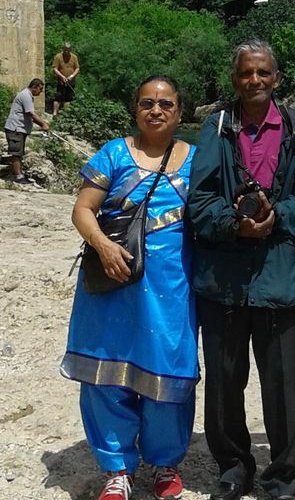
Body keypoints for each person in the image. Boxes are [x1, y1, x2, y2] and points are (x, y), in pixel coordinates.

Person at [187, 39, 295, 500]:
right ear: (235, 79)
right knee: (225, 382)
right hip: (223, 278)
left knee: (283, 384)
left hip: (278, 276)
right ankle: (233, 466)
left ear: (276, 78)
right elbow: (200, 200)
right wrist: (234, 225)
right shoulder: (215, 128)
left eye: (263, 73)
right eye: (246, 73)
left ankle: (283, 475)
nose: (254, 81)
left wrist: (276, 220)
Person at [61, 75, 197, 500]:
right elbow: (83, 209)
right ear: (135, 109)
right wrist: (102, 246)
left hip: (171, 285)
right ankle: (117, 468)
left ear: (180, 112)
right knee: (106, 372)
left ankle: (164, 462)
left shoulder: (197, 159)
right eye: (147, 103)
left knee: (170, 368)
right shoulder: (114, 153)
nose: (155, 110)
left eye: (165, 104)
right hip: (112, 278)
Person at [3, 78, 49, 185]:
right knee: (16, 152)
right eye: (40, 89)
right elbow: (31, 113)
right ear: (34, 87)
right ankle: (19, 176)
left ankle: (20, 174)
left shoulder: (27, 96)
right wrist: (43, 124)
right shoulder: (25, 96)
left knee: (19, 152)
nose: (41, 91)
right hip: (15, 128)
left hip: (20, 129)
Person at [52, 42, 80, 115]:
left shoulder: (74, 57)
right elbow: (55, 68)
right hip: (61, 81)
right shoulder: (58, 57)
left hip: (71, 81)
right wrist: (61, 76)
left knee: (68, 98)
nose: (66, 51)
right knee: (58, 96)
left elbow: (77, 68)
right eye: (65, 50)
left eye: (68, 50)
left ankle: (65, 113)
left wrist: (72, 76)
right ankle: (54, 113)